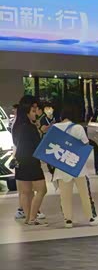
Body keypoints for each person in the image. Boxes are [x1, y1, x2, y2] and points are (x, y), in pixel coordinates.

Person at [51, 104, 98, 229]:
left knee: (65, 195)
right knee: (84, 194)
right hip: (77, 165)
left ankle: (68, 220)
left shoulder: (54, 128)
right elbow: (85, 144)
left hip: (61, 165)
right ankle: (91, 218)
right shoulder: (78, 128)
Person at [11, 95, 47, 226]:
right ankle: (32, 217)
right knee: (42, 190)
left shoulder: (16, 125)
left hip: (20, 161)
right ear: (27, 111)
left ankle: (28, 218)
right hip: (32, 162)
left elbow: (16, 143)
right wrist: (40, 131)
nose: (35, 113)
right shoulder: (30, 127)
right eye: (33, 111)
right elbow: (37, 145)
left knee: (25, 192)